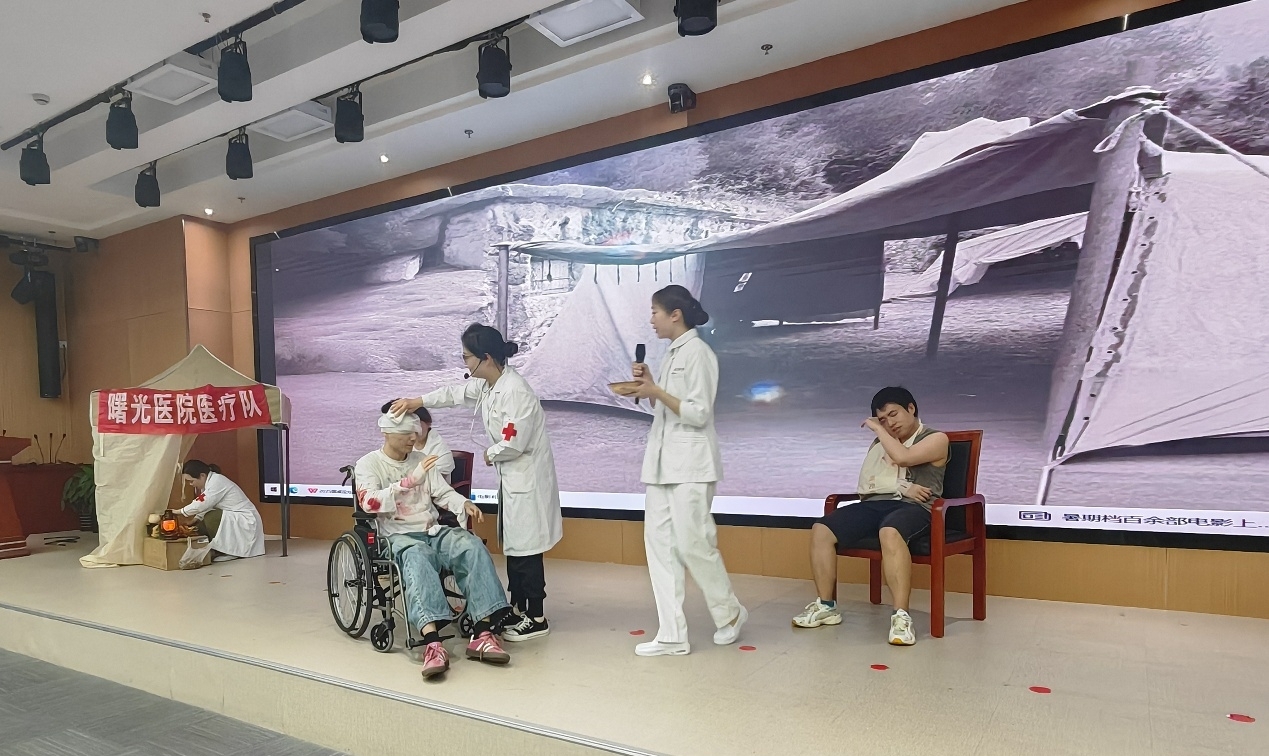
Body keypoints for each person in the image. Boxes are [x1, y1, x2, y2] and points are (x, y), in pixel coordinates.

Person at [392, 324, 562, 643]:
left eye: (466, 357)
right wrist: (417, 401)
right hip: (512, 479)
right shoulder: (489, 385)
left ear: (485, 358)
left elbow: (514, 441)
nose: (464, 362)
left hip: (527, 480)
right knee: (515, 547)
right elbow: (454, 394)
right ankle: (517, 608)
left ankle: (537, 617)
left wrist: (490, 453)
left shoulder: (515, 391)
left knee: (527, 549)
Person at [629, 285, 746, 657]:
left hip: (692, 464)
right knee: (659, 548)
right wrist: (650, 387)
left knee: (694, 543)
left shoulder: (699, 353)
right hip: (661, 465)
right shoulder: (672, 353)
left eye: (655, 312)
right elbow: (667, 407)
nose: (651, 319)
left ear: (674, 314)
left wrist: (656, 391)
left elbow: (698, 413)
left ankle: (729, 612)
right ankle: (672, 634)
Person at [354, 409, 513, 679]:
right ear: (387, 432)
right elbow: (369, 503)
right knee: (417, 555)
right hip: (398, 536)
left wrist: (463, 503)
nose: (412, 438)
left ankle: (483, 633)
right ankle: (432, 643)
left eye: (414, 432)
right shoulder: (369, 464)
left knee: (471, 545)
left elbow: (442, 492)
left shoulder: (422, 460)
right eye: (406, 433)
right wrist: (408, 482)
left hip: (432, 530)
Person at [793, 386, 949, 646]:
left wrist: (877, 429)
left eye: (893, 414)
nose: (890, 423)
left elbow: (903, 458)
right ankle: (826, 606)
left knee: (890, 531)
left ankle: (901, 616)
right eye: (883, 420)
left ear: (911, 408)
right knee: (822, 529)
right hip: (876, 504)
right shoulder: (880, 443)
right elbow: (866, 485)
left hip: (917, 508)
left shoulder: (936, 438)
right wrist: (901, 485)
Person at [178, 460, 266, 563]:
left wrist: (178, 512)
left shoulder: (217, 481)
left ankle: (231, 551)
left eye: (191, 481)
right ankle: (218, 549)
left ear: (202, 475)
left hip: (246, 521)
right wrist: (194, 520)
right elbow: (207, 505)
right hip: (235, 518)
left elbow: (202, 504)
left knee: (211, 517)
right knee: (199, 527)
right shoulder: (209, 483)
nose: (190, 484)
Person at [380, 401, 455, 481]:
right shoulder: (399, 444)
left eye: (416, 423)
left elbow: (435, 481)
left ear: (428, 423)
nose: (413, 429)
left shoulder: (440, 451)